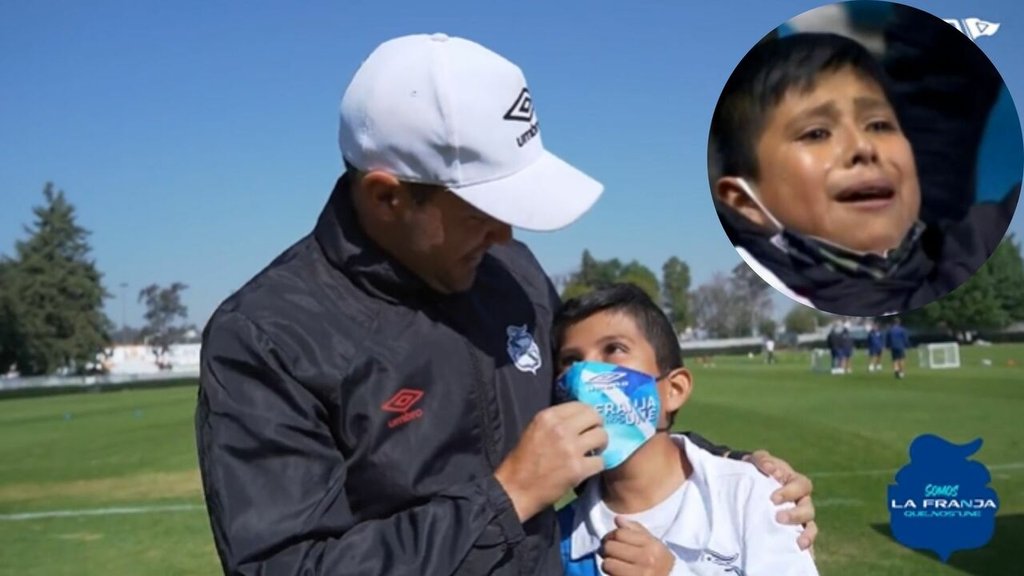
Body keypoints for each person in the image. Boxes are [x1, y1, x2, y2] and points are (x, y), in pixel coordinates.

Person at [194, 33, 817, 575]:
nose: (508, 237)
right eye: (484, 212)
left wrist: (739, 473)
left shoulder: (510, 275)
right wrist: (507, 494)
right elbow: (288, 566)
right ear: (387, 197)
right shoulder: (266, 337)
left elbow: (593, 413)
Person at [709, 32, 1019, 317]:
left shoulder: (974, 245)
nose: (863, 146)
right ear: (746, 202)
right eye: (817, 133)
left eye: (880, 125)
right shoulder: (778, 288)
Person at [554, 284, 819, 575]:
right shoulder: (558, 541)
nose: (586, 375)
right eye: (571, 361)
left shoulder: (750, 495)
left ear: (674, 390)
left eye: (614, 349)